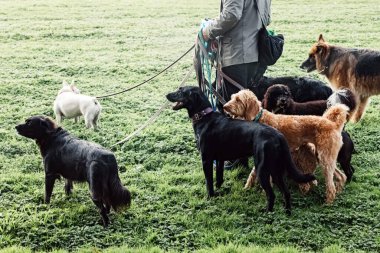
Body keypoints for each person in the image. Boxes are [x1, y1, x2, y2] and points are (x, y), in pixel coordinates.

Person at [202, 0, 272, 102]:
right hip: (257, 52)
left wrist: (207, 32)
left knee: (234, 107)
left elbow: (231, 16)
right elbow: (267, 18)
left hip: (236, 53)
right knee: (249, 106)